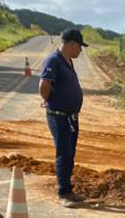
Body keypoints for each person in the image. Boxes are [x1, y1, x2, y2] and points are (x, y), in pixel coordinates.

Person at [39, 29, 87, 208]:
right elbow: (44, 85)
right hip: (59, 117)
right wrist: (49, 100)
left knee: (70, 153)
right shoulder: (54, 61)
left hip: (70, 117)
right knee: (63, 154)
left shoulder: (67, 61)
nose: (80, 51)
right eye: (80, 47)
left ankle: (69, 190)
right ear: (72, 44)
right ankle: (63, 193)